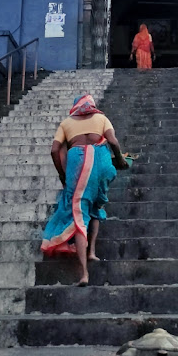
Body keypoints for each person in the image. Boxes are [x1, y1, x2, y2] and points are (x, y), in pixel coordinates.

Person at [40, 94, 128, 286]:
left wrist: (63, 176)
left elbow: (55, 150)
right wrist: (120, 160)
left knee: (80, 213)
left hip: (78, 164)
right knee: (97, 204)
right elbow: (113, 141)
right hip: (102, 163)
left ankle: (84, 274)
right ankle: (92, 252)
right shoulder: (101, 118)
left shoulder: (66, 123)